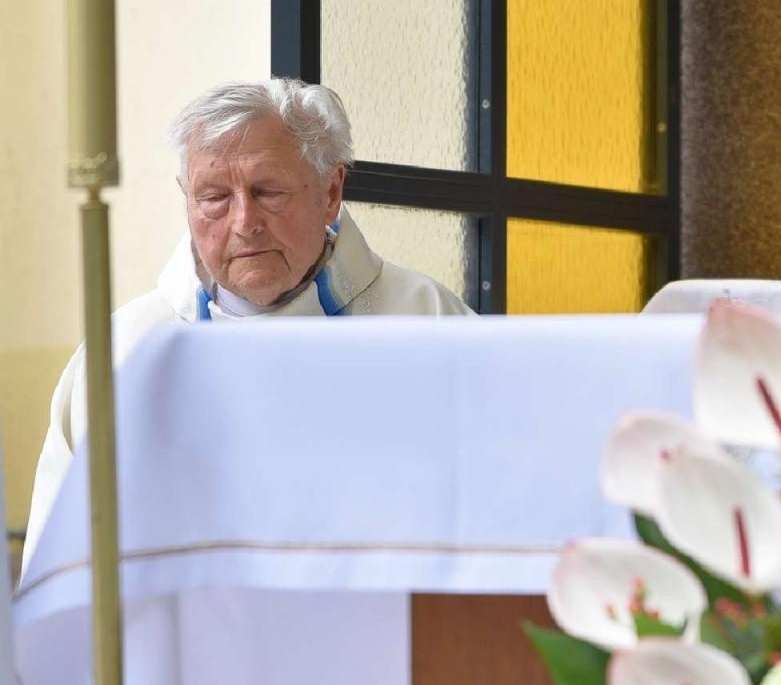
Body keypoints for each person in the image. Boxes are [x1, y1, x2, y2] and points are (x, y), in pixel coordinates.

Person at [23, 79, 472, 571]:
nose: (244, 222)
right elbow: (60, 564)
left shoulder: (430, 322)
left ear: (331, 191)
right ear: (186, 199)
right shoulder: (125, 351)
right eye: (213, 196)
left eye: (268, 191)